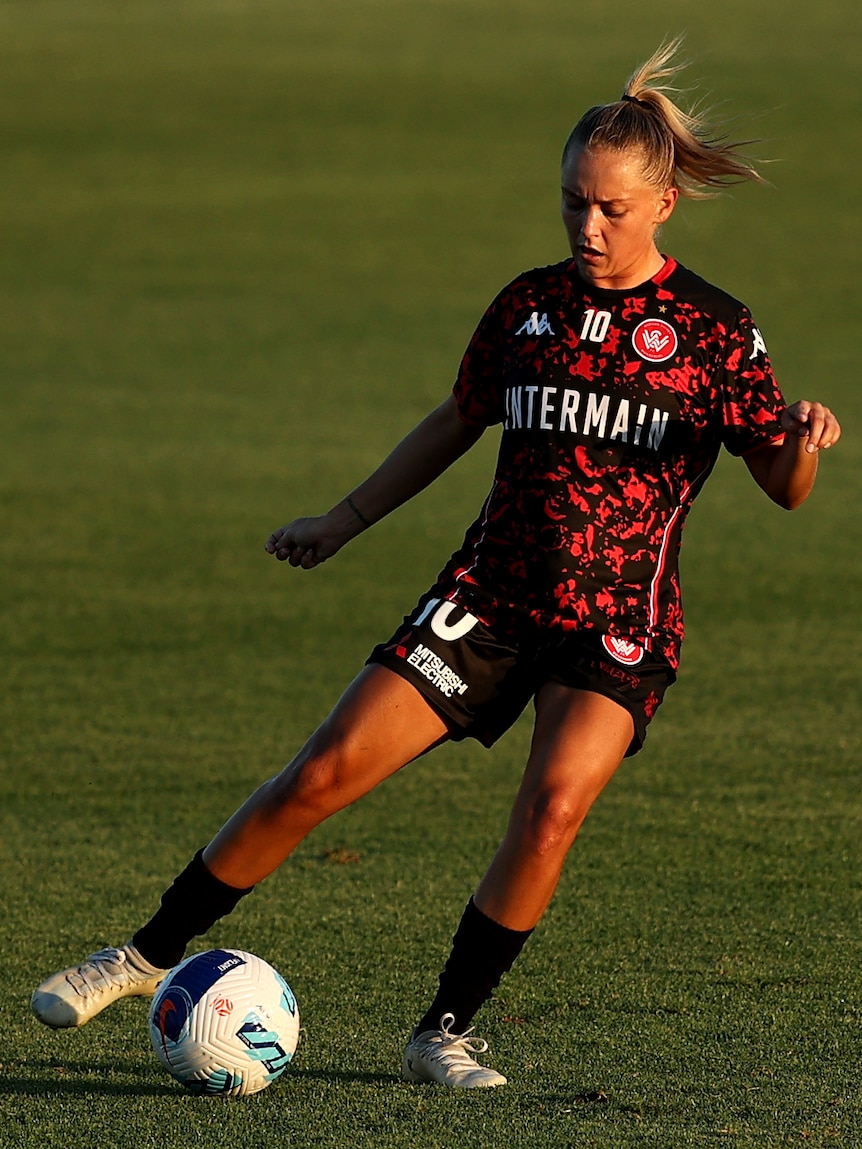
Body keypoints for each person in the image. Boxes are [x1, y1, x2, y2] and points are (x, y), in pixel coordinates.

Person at [31, 39, 841, 1089]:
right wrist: (345, 517)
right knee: (321, 772)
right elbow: (457, 421)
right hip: (486, 599)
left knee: (550, 810)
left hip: (616, 626)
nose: (586, 228)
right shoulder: (527, 307)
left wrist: (800, 440)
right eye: (570, 204)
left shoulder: (713, 332)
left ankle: (441, 1031)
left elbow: (779, 482)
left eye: (609, 210)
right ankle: (139, 958)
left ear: (663, 206)